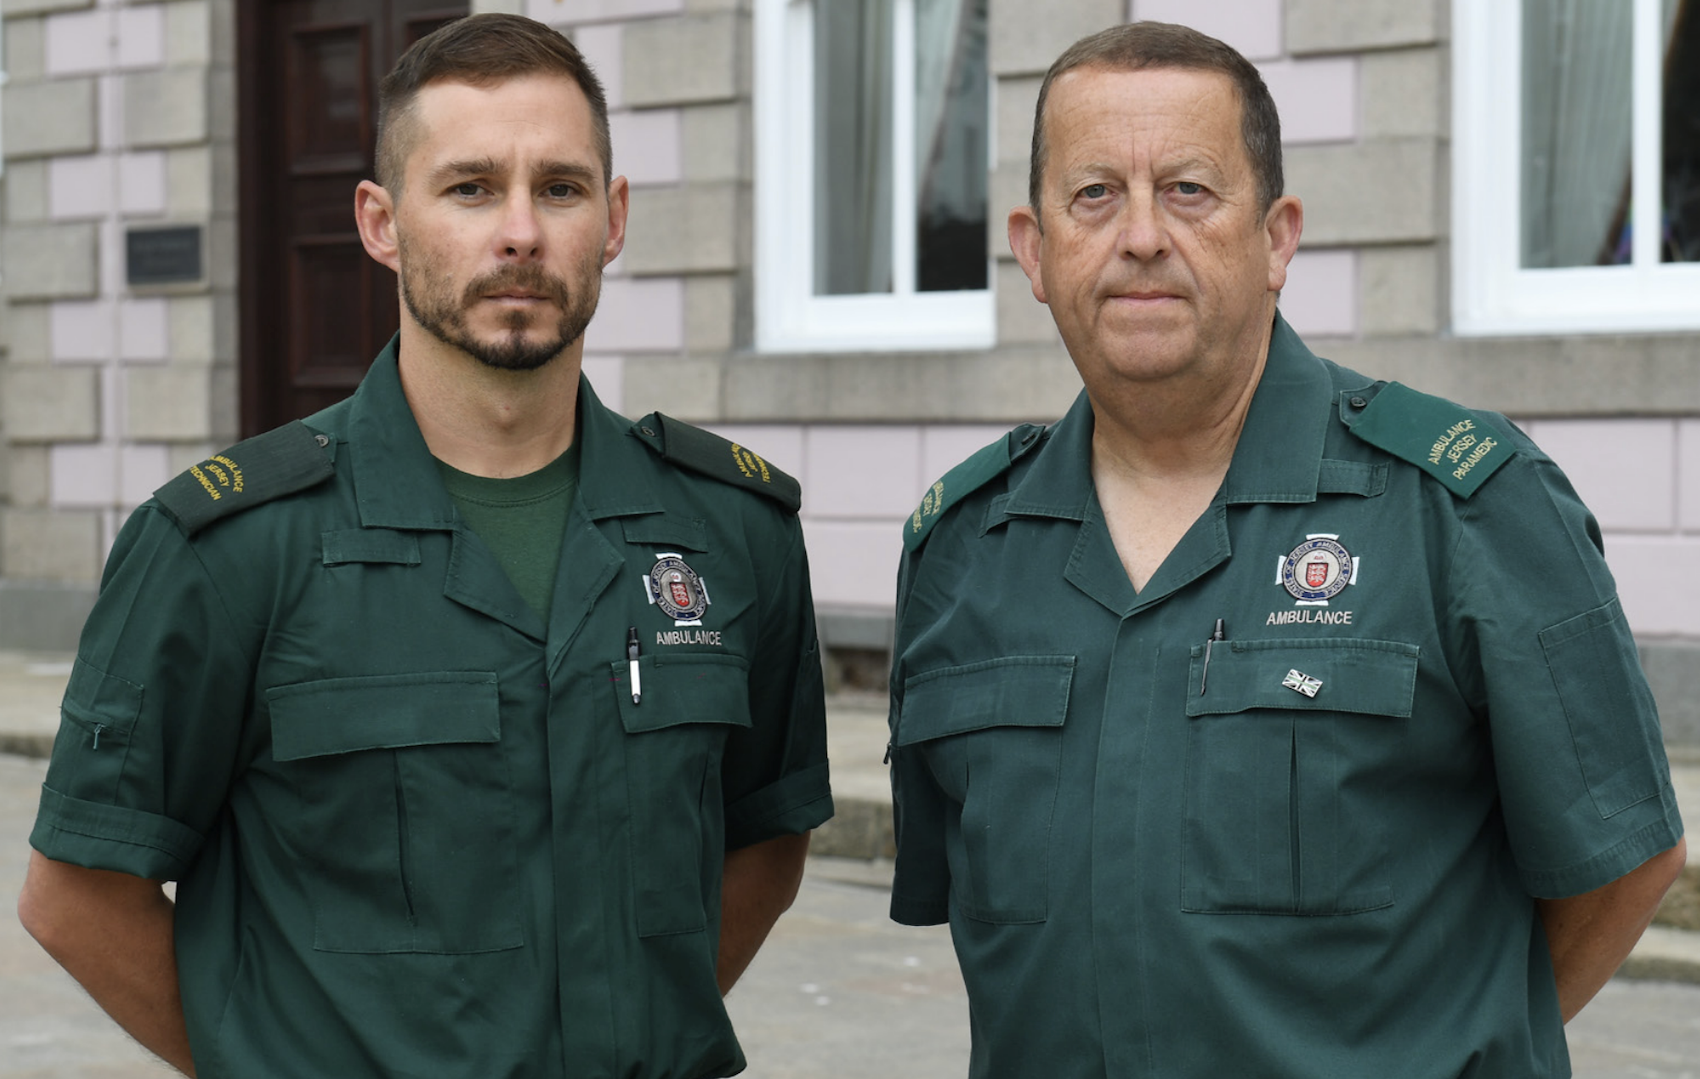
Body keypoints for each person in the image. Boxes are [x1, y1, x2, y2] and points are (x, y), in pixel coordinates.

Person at [17, 14, 832, 1078]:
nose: (520, 234)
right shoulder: (228, 546)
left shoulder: (730, 533)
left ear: (614, 217)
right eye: (469, 187)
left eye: (560, 188)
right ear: (381, 221)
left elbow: (766, 836)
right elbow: (76, 892)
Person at [886, 21, 1685, 1078]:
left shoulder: (1463, 507)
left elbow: (1621, 861)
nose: (1138, 236)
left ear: (1275, 237)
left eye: (1186, 190)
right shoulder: (960, 549)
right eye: (1094, 196)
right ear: (1032, 249)